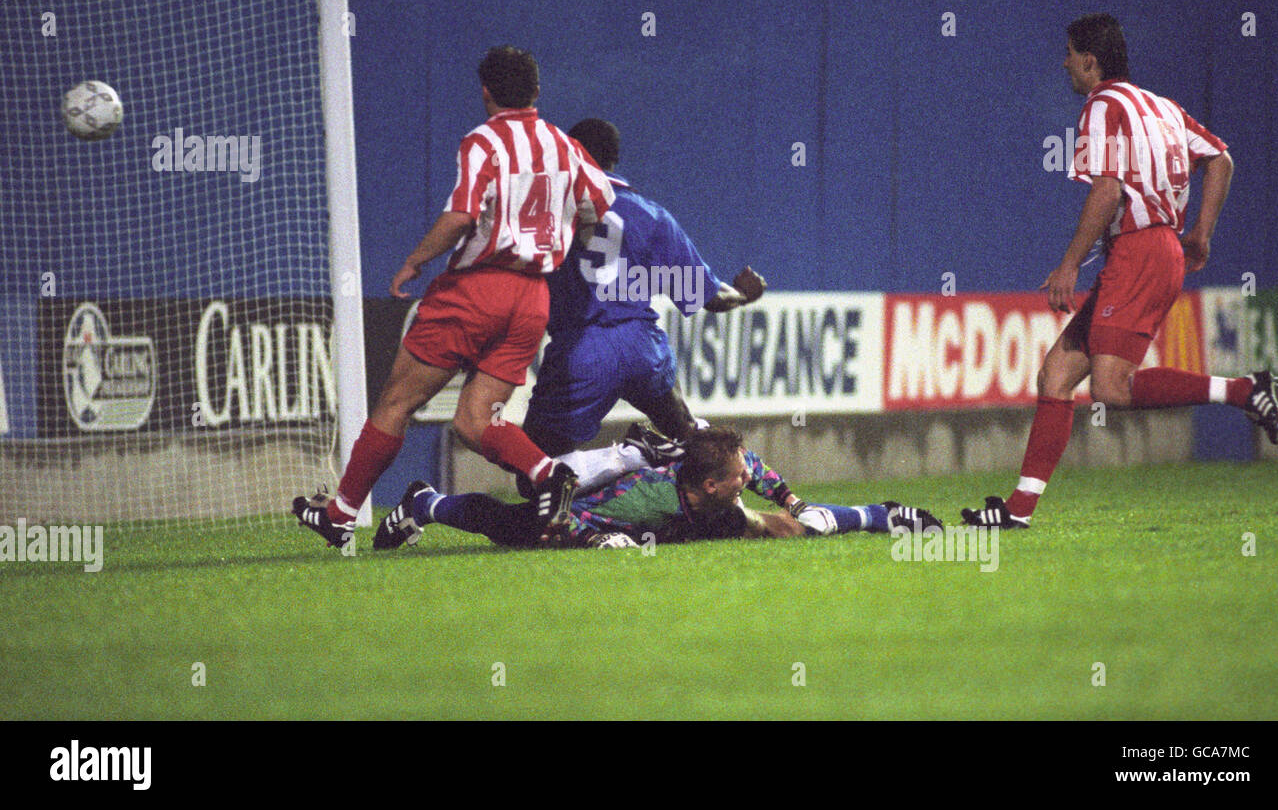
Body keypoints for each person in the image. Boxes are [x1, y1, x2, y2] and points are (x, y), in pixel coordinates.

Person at [962, 14, 1278, 531]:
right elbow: (1222, 158)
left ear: (1090, 61)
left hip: (1139, 252)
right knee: (1057, 373)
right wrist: (1201, 232)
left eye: (1070, 52)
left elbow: (1108, 189)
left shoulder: (1102, 105)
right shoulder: (1163, 107)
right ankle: (1017, 512)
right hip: (1158, 251)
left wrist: (1069, 262)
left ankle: (1245, 390)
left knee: (1112, 388)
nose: (1064, 61)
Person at [293, 46, 615, 548]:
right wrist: (560, 236)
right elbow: (599, 205)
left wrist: (415, 260)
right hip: (532, 299)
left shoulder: (483, 142)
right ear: (536, 91)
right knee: (475, 419)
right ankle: (547, 471)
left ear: (485, 92)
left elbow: (463, 215)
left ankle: (341, 512)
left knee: (397, 401)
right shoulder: (563, 145)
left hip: (476, 290)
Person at [521, 117, 766, 460]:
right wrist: (743, 295)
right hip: (642, 348)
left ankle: (629, 459)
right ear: (615, 159)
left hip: (582, 350)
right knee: (689, 440)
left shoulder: (549, 209)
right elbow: (708, 297)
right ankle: (726, 486)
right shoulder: (651, 215)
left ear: (572, 154)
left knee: (533, 467)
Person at [372, 425, 942, 550]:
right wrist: (596, 543)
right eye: (739, 479)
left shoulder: (716, 476)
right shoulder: (641, 497)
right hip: (574, 495)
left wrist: (791, 500)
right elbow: (575, 523)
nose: (748, 479)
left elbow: (757, 470)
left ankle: (883, 514)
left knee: (797, 528)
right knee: (517, 528)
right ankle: (427, 500)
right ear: (713, 485)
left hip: (687, 517)